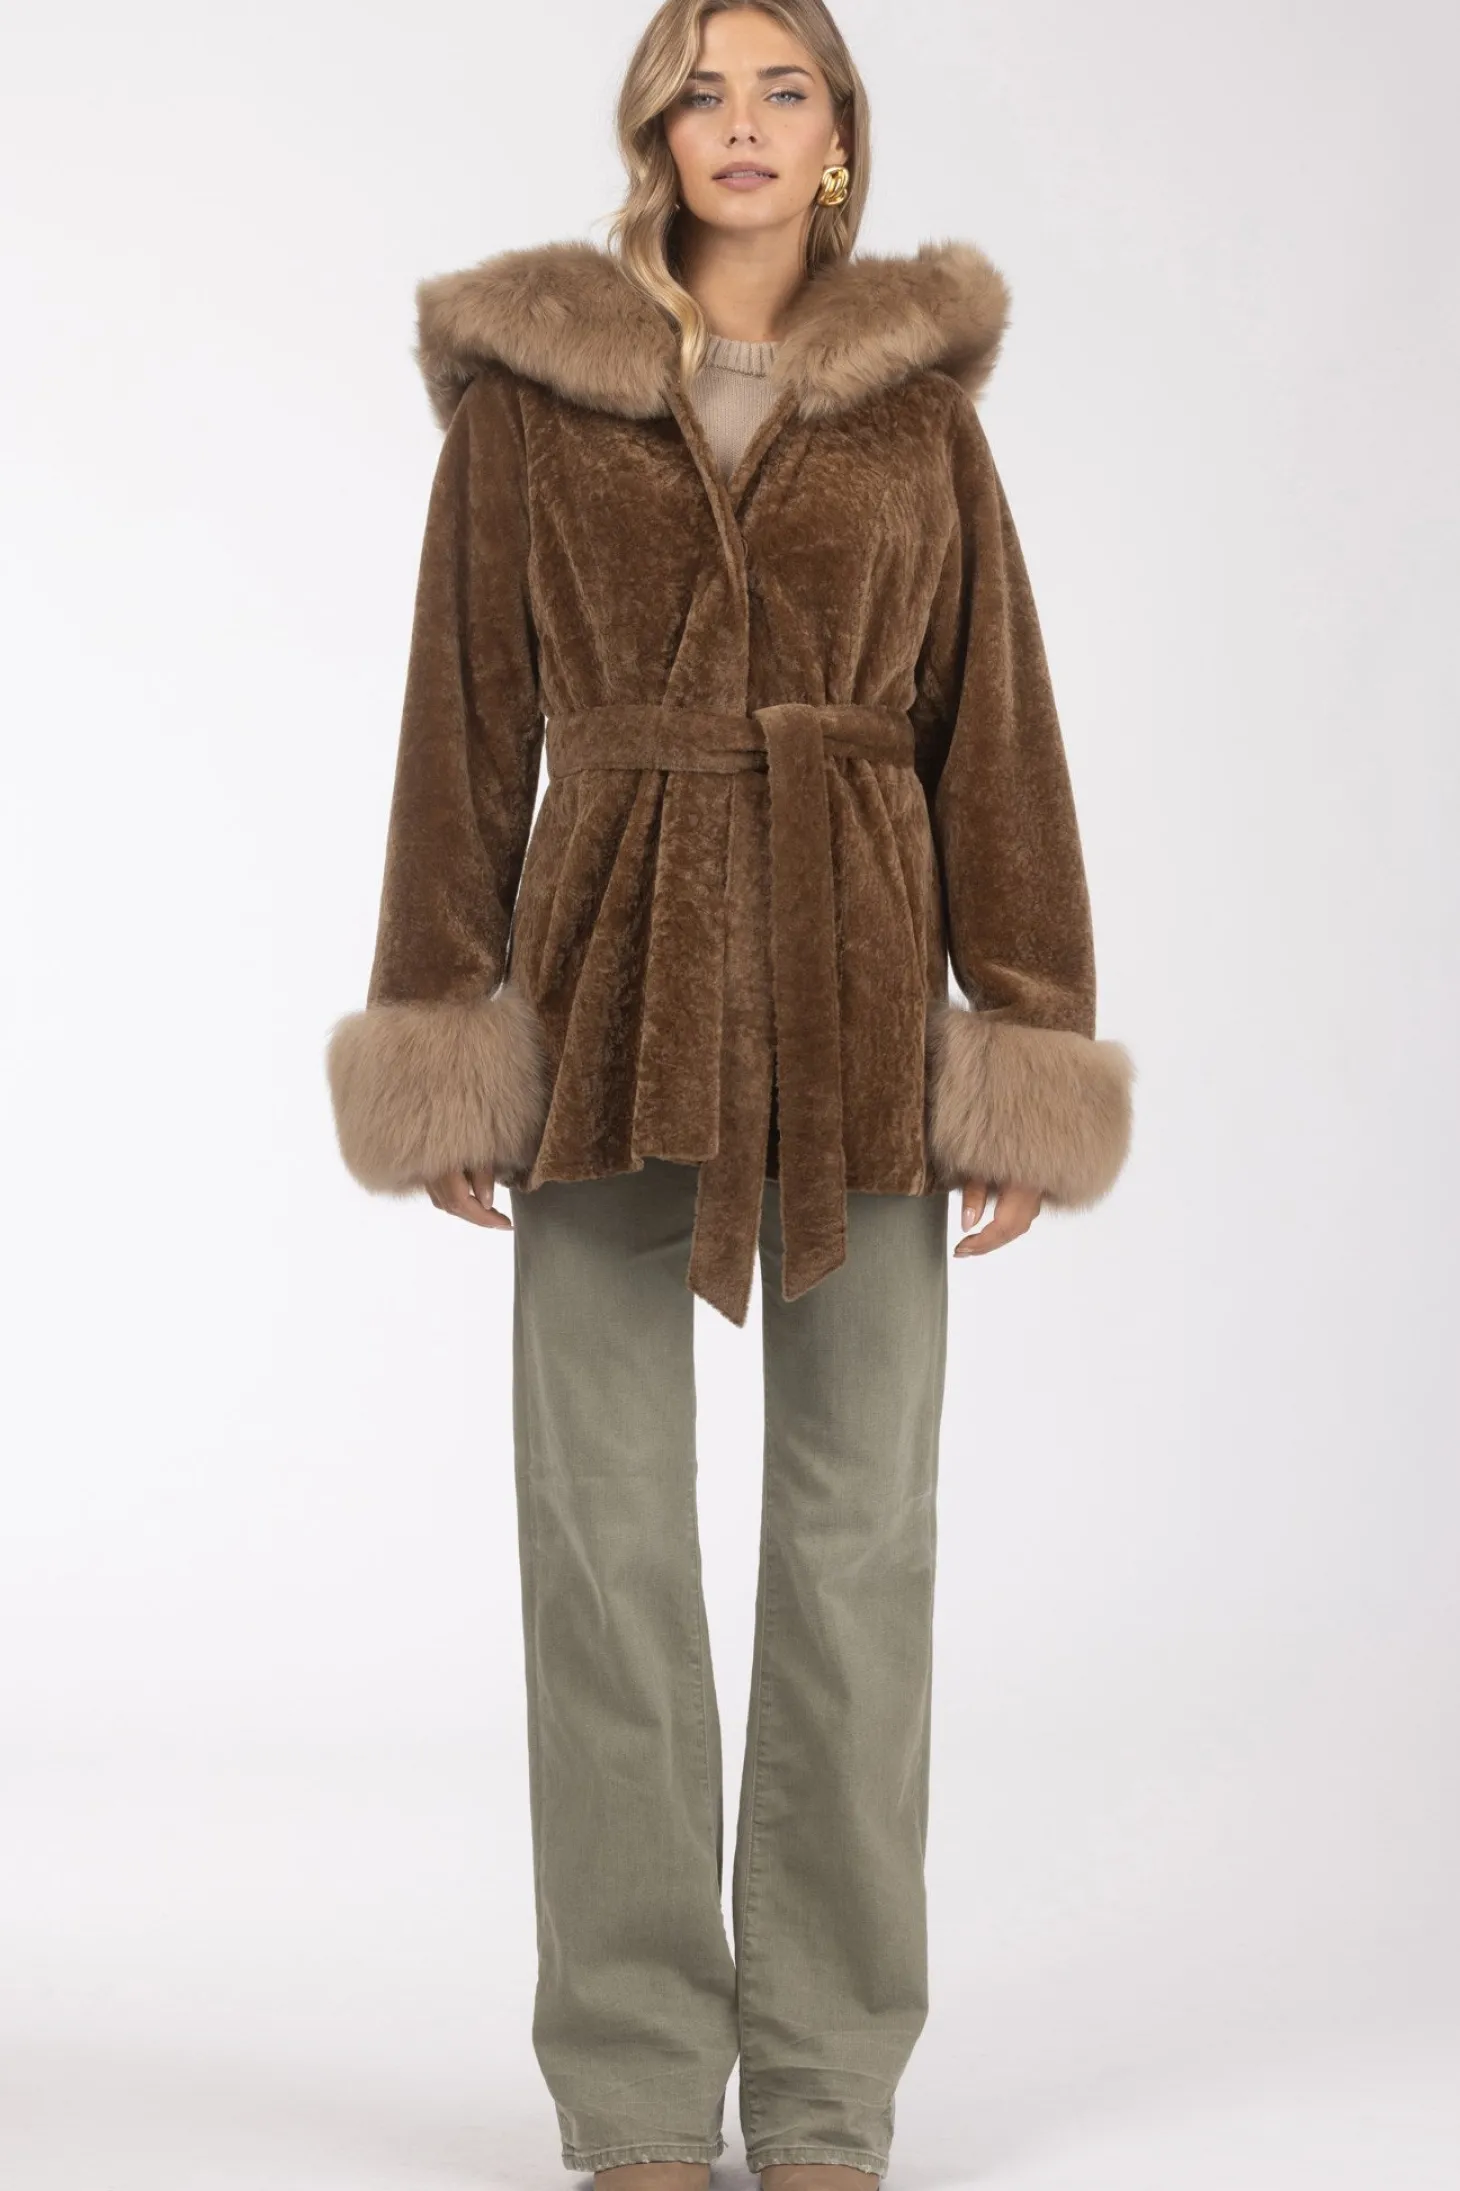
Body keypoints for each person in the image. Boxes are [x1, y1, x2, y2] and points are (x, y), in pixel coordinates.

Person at [325, 2, 1135, 2185]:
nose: (744, 124)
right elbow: (461, 725)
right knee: (602, 1546)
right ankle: (631, 2092)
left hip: (863, 1008)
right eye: (706, 86)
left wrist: (1024, 1038)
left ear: (840, 136)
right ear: (654, 127)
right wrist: (444, 1025)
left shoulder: (919, 416)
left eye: (786, 88)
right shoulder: (533, 399)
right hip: (609, 1000)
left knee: (862, 1540)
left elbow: (995, 732)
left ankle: (827, 2085)